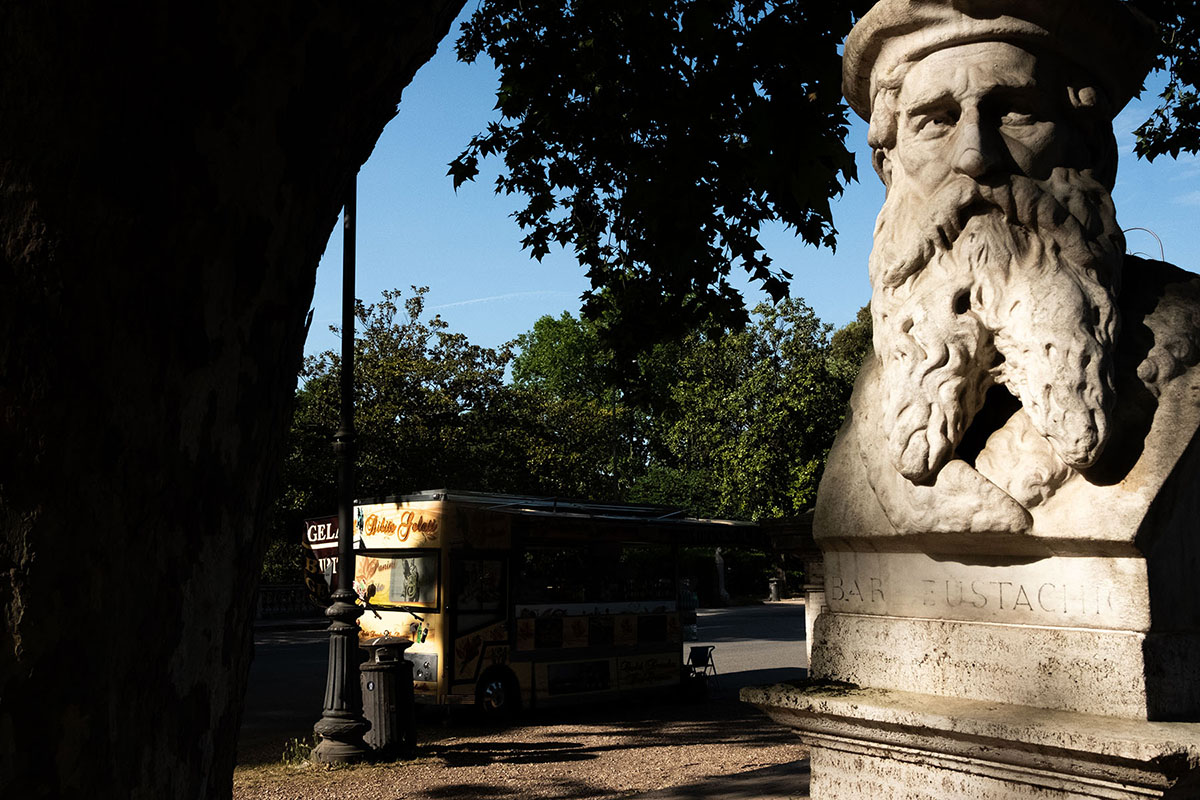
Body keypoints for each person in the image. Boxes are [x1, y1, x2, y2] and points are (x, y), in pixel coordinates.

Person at [819, 0, 1200, 543]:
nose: (975, 157)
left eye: (1014, 112)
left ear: (1093, 150)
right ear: (889, 165)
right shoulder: (881, 393)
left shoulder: (1186, 342)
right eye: (936, 122)